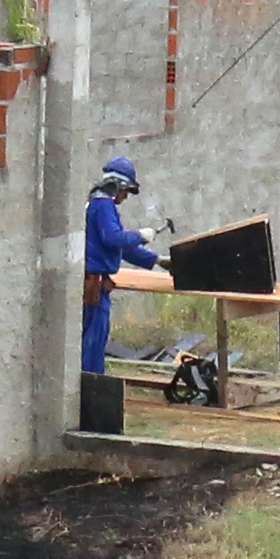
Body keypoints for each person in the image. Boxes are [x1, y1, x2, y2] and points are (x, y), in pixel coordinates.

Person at [78, 153, 164, 394]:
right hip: (94, 288)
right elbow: (114, 238)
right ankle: (90, 396)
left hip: (93, 286)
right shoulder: (103, 205)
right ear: (117, 186)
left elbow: (117, 247)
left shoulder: (95, 204)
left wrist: (155, 260)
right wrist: (141, 234)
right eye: (125, 192)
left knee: (91, 343)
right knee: (93, 346)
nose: (125, 197)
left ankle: (88, 392)